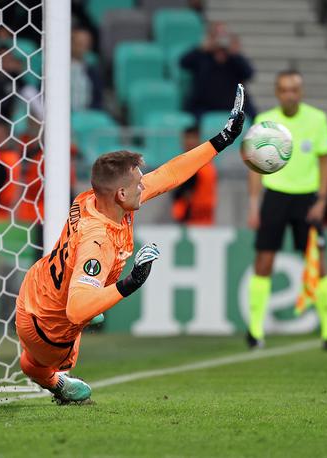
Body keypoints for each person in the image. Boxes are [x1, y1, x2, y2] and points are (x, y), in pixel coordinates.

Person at [15, 86, 245, 403]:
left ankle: (52, 346)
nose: (144, 184)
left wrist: (221, 141)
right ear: (121, 194)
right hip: (50, 331)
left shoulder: (93, 199)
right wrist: (129, 283)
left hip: (33, 292)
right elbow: (76, 309)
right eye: (138, 182)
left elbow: (168, 175)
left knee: (72, 312)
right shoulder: (99, 240)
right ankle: (55, 381)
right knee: (54, 354)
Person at [246, 71, 327, 351]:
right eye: (284, 90)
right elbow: (255, 165)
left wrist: (322, 200)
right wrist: (254, 203)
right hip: (275, 196)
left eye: (294, 89)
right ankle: (255, 330)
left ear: (301, 91)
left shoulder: (317, 119)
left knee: (317, 262)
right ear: (277, 92)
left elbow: (325, 162)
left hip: (307, 199)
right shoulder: (265, 122)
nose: (290, 94)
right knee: (264, 261)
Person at [180, 22, 255, 119]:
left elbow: (249, 73)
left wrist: (236, 54)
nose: (220, 41)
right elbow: (183, 63)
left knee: (251, 116)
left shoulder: (234, 59)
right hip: (204, 106)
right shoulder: (201, 56)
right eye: (217, 36)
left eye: (223, 36)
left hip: (232, 104)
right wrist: (201, 48)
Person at [171, 126, 218, 225]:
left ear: (198, 140)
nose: (188, 142)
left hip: (193, 217)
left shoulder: (194, 165)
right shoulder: (206, 162)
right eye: (186, 138)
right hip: (199, 217)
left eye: (191, 138)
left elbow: (186, 193)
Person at [70, 27, 102, 112]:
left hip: (88, 114)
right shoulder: (56, 70)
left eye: (86, 45)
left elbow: (98, 97)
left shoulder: (92, 69)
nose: (83, 48)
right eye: (79, 44)